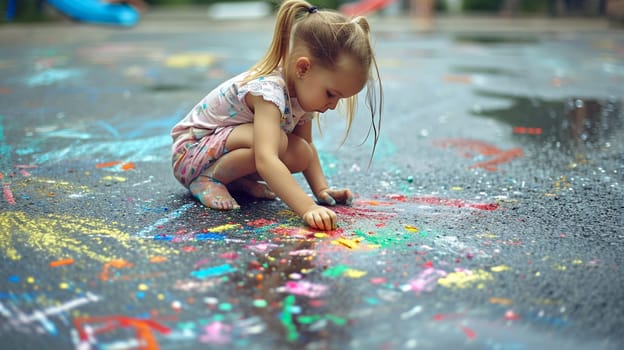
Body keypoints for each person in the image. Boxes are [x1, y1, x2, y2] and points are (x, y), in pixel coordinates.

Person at [170, 0, 382, 231]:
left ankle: (238, 182)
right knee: (276, 144)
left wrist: (321, 190)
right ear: (303, 68)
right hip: (190, 153)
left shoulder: (303, 91)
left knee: (301, 152)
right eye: (331, 94)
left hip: (218, 148)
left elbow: (307, 147)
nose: (332, 105)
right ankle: (208, 179)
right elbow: (266, 159)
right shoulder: (268, 92)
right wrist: (307, 208)